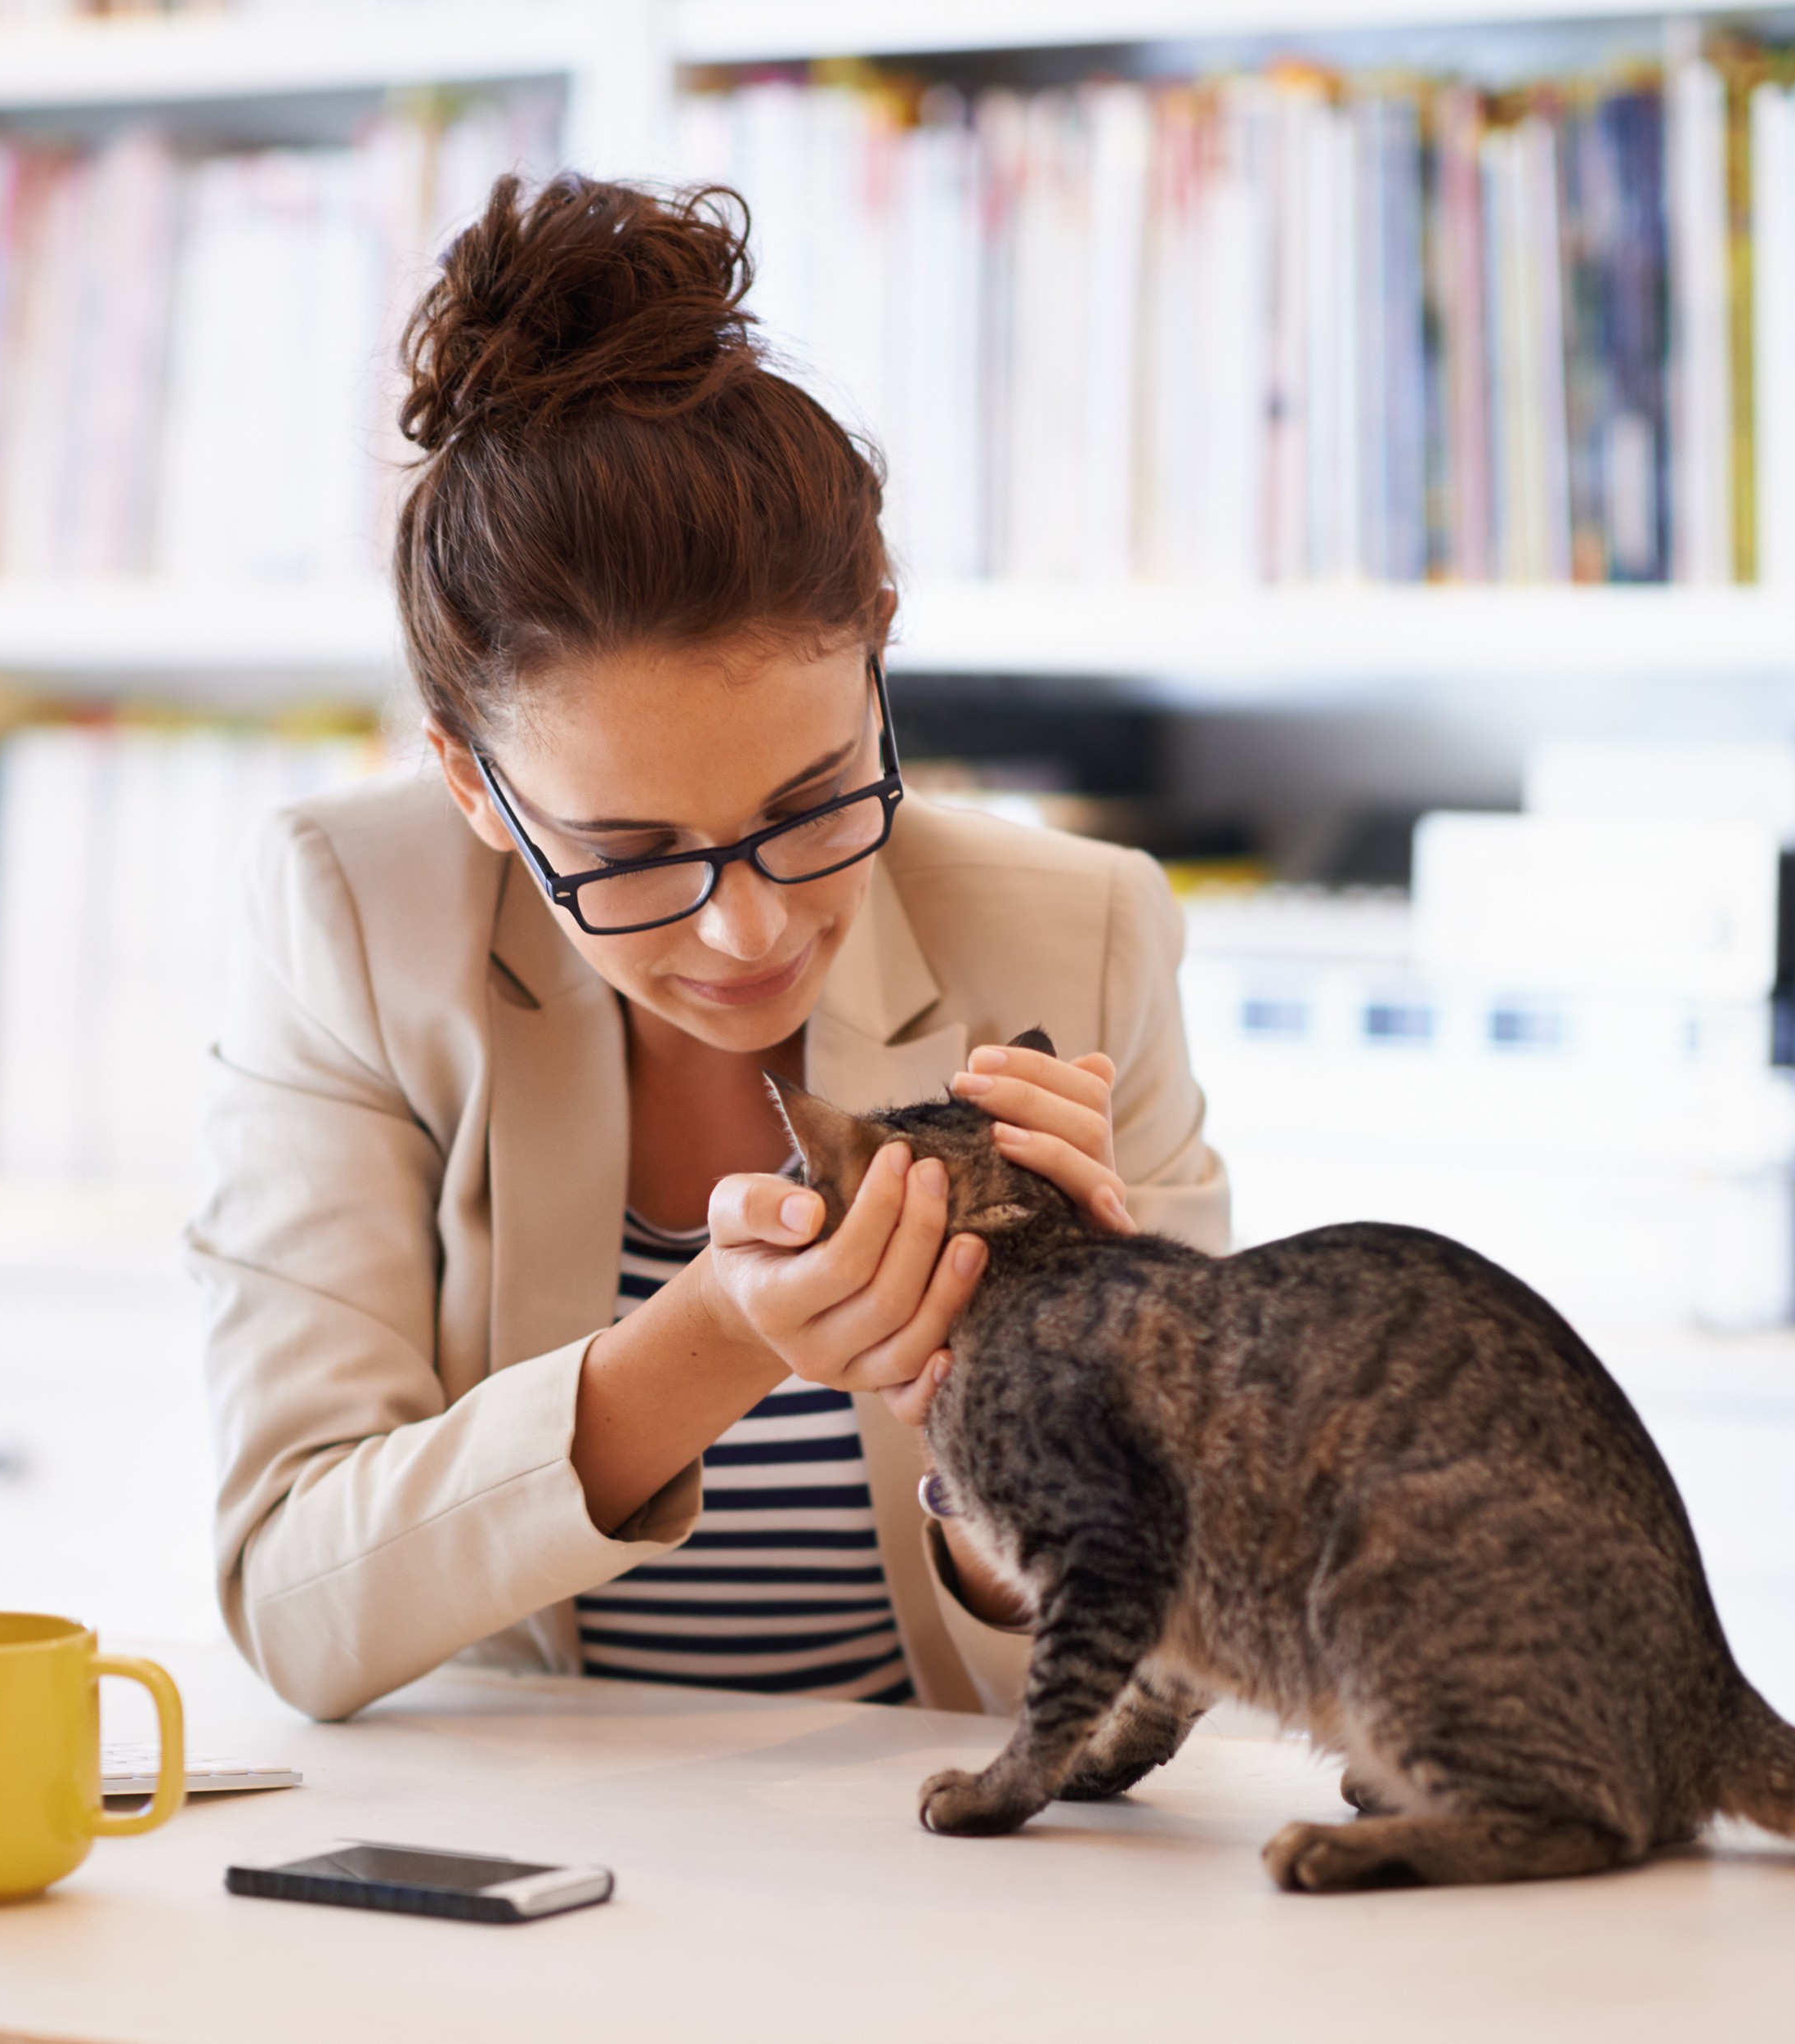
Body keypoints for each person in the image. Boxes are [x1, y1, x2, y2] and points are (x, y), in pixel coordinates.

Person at [194, 173, 1227, 1723]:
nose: (745, 927)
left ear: (877, 642)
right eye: (625, 859)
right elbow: (294, 1604)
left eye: (813, 808)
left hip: (946, 1888)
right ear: (474, 784)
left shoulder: (1076, 935)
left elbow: (1178, 1673)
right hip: (526, 1880)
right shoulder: (353, 919)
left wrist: (1024, 1422)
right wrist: (712, 1335)